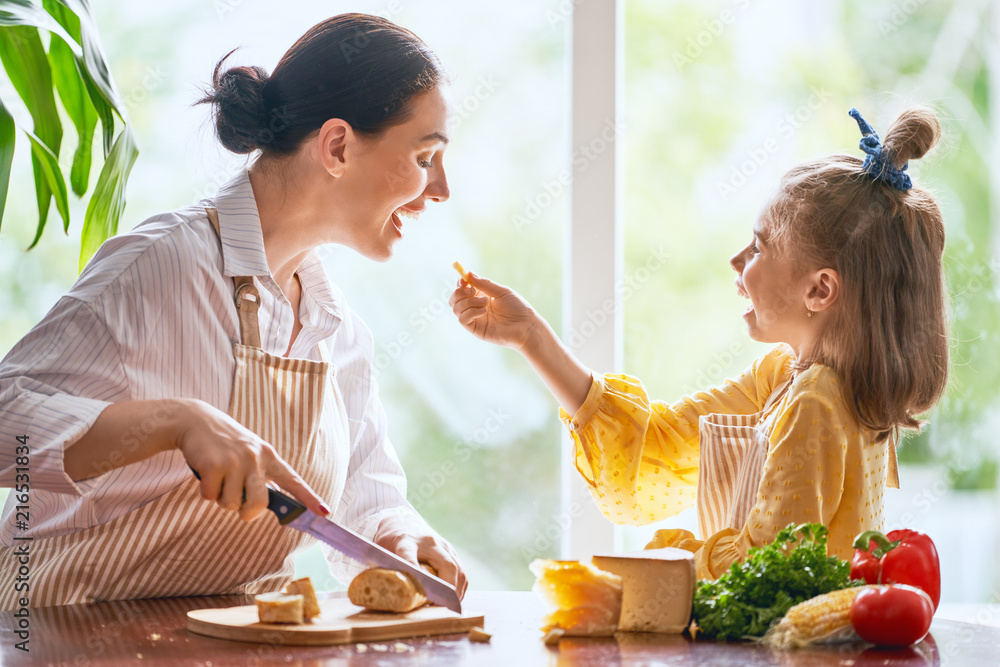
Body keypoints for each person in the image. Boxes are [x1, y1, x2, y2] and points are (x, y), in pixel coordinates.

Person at [0, 13, 467, 608]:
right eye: (427, 156)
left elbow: (365, 496)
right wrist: (175, 421)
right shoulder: (159, 267)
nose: (442, 189)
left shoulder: (336, 330)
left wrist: (398, 534)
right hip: (58, 637)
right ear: (338, 146)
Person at [450, 107, 949, 579]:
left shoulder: (815, 401)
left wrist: (674, 562)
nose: (737, 260)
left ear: (819, 290)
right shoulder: (786, 377)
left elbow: (766, 566)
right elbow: (659, 443)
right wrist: (532, 337)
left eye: (759, 246)